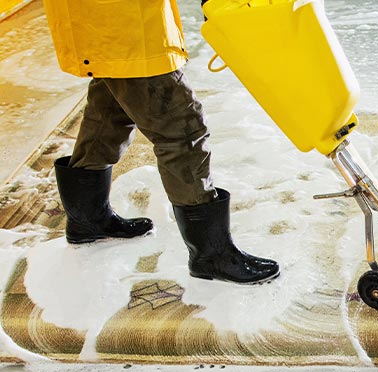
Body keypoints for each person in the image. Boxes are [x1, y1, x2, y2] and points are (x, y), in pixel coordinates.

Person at [42, 0, 280, 284]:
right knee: (182, 127)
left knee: (111, 110)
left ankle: (88, 219)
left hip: (107, 20)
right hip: (121, 20)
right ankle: (211, 255)